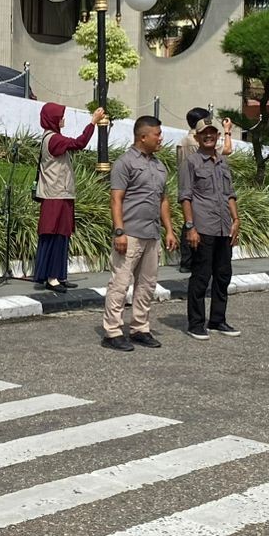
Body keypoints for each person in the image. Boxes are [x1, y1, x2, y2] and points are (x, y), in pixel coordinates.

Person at [101, 116, 177, 352]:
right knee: (120, 283)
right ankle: (112, 332)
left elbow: (163, 199)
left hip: (152, 233)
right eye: (157, 134)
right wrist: (119, 231)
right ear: (143, 137)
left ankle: (140, 328)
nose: (160, 138)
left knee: (147, 285)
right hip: (130, 233)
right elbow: (116, 199)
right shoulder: (125, 163)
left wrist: (169, 230)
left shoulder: (159, 165)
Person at [31, 102, 106, 292]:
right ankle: (51, 277)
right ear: (54, 119)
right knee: (54, 234)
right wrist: (93, 123)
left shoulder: (52, 137)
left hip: (59, 194)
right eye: (60, 116)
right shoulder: (54, 139)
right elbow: (79, 143)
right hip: (55, 195)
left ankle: (59, 275)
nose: (63, 118)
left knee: (62, 234)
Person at [178, 119, 240, 341]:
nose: (209, 136)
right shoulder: (191, 162)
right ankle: (195, 323)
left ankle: (217, 319)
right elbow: (185, 197)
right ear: (197, 137)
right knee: (201, 276)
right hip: (203, 227)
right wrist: (190, 227)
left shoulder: (222, 162)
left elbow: (230, 193)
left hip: (224, 228)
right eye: (204, 133)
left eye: (212, 133)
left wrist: (236, 219)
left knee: (223, 275)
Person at [176, 107, 234, 272]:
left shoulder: (183, 141)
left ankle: (186, 262)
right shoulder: (198, 142)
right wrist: (227, 131)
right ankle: (190, 263)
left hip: (190, 186)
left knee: (188, 223)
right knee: (193, 227)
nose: (209, 135)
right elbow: (227, 150)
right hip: (201, 192)